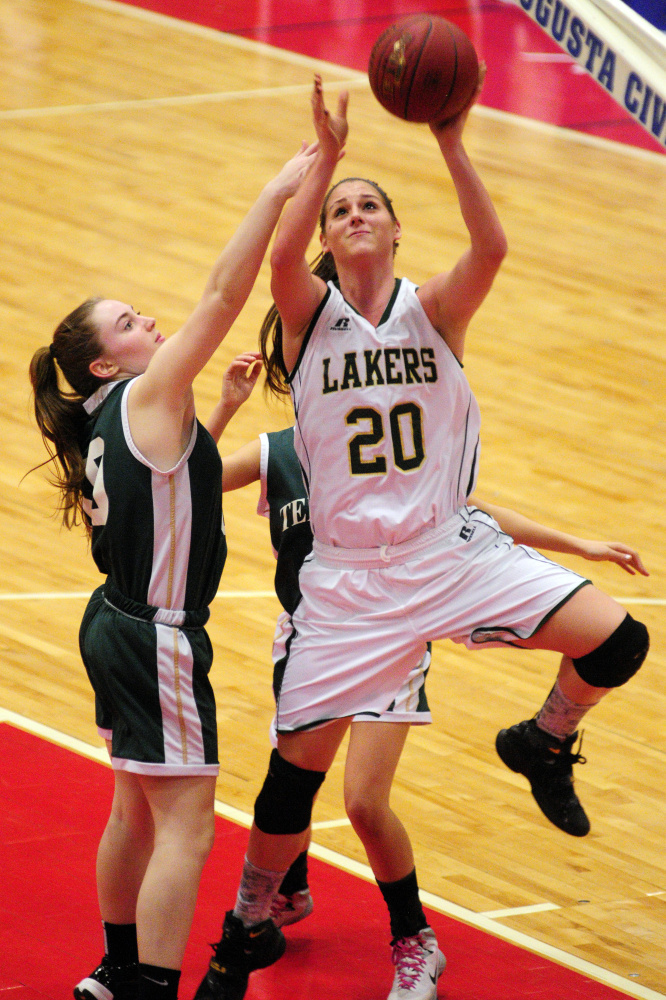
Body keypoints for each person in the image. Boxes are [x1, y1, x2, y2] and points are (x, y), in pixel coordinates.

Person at [194, 73, 649, 1000]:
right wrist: (325, 159)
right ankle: (249, 920)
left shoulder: (435, 311)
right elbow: (279, 258)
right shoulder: (306, 320)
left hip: (449, 553)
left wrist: (450, 140)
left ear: (398, 231)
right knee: (297, 778)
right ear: (325, 241)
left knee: (621, 638)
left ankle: (545, 738)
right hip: (351, 583)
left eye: (369, 206)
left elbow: (494, 244)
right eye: (340, 212)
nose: (354, 214)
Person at [201, 413, 648, 994]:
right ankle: (284, 895)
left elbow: (470, 513)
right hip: (316, 634)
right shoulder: (276, 451)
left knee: (363, 803)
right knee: (288, 786)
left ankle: (416, 943)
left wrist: (576, 544)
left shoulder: (390, 445)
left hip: (394, 634)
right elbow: (188, 480)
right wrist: (227, 405)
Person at [28, 140, 318, 1000]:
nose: (147, 321)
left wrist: (223, 409)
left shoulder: (109, 418)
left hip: (112, 623)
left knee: (132, 809)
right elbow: (225, 294)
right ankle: (153, 985)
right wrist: (272, 190)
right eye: (127, 324)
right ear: (105, 365)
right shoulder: (146, 394)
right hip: (156, 639)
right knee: (187, 828)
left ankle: (118, 968)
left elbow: (174, 493)